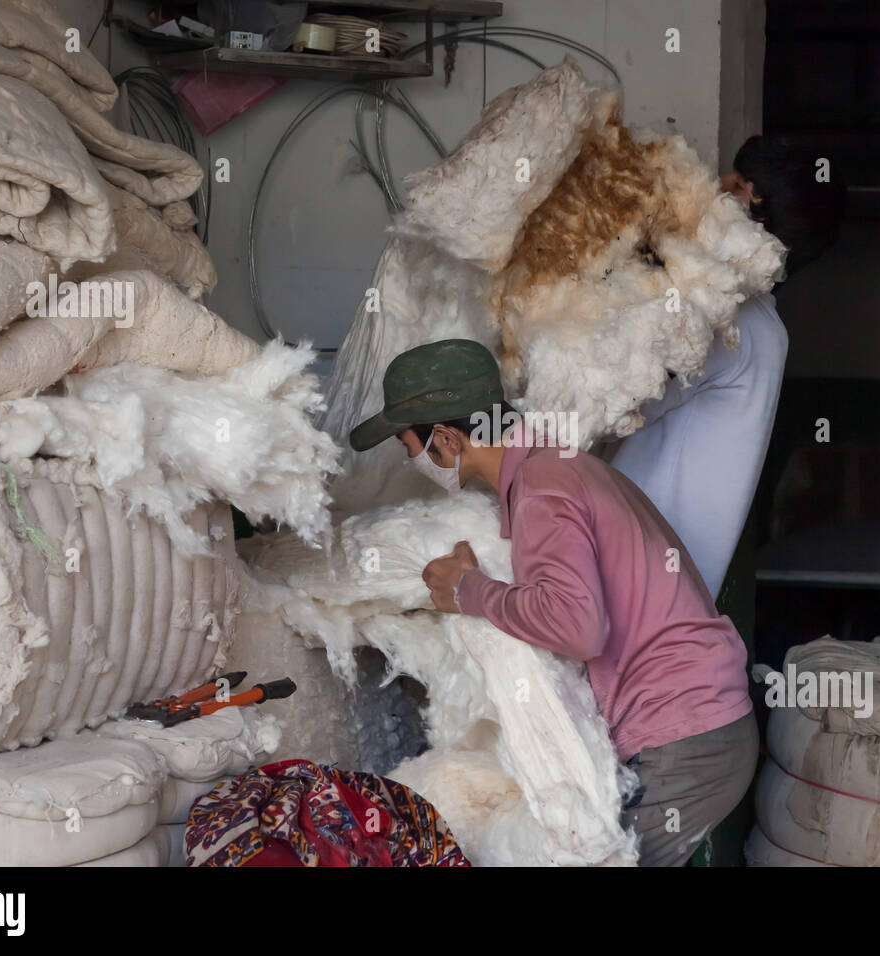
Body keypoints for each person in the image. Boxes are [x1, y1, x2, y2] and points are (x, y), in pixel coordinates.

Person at [349, 338, 759, 866]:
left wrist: (467, 590)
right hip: (699, 730)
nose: (411, 461)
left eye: (409, 447)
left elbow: (578, 624)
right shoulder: (556, 467)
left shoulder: (543, 487)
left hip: (687, 738)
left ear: (447, 439)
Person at [610, 136, 847, 598]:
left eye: (738, 185)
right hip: (653, 582)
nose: (718, 187)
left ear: (762, 221)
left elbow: (618, 406)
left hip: (641, 587)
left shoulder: (733, 323)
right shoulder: (759, 326)